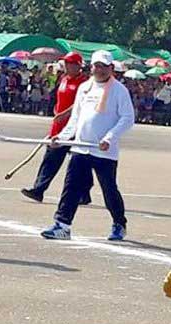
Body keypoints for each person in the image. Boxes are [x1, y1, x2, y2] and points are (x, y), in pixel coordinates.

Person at [40, 50, 134, 241]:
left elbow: (128, 118)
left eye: (103, 66)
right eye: (96, 66)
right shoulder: (84, 87)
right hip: (80, 147)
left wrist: (109, 138)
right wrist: (62, 137)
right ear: (91, 67)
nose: (99, 70)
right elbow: (76, 118)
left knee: (109, 189)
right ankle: (62, 224)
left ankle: (119, 223)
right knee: (71, 186)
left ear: (110, 68)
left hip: (104, 151)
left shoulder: (119, 90)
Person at [21, 52, 91, 204]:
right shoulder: (64, 79)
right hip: (58, 126)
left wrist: (65, 114)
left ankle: (84, 193)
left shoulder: (84, 83)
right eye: (66, 63)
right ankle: (39, 189)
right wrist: (56, 111)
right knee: (51, 159)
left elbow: (81, 104)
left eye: (70, 63)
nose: (67, 66)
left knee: (80, 162)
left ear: (78, 66)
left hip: (74, 128)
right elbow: (58, 98)